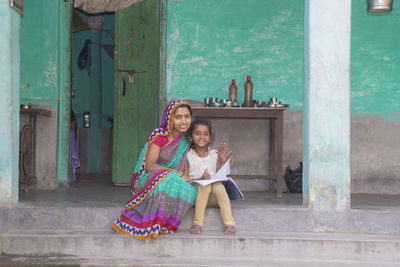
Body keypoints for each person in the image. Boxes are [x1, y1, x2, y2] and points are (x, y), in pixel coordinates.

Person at [112, 99, 197, 240]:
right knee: (170, 179)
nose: (183, 121)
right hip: (151, 177)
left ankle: (166, 223)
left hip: (174, 179)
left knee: (191, 191)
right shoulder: (160, 136)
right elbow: (150, 165)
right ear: (170, 119)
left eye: (187, 116)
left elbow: (189, 163)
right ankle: (154, 222)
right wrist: (176, 173)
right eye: (178, 117)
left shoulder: (188, 139)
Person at [183, 120, 236, 235]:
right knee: (204, 185)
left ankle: (230, 224)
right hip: (196, 197)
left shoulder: (214, 154)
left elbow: (220, 176)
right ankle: (197, 223)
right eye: (197, 133)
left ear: (210, 138)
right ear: (190, 137)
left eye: (205, 134)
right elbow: (185, 179)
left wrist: (223, 161)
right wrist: (200, 178)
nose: (202, 137)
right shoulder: (188, 156)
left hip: (213, 199)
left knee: (218, 185)